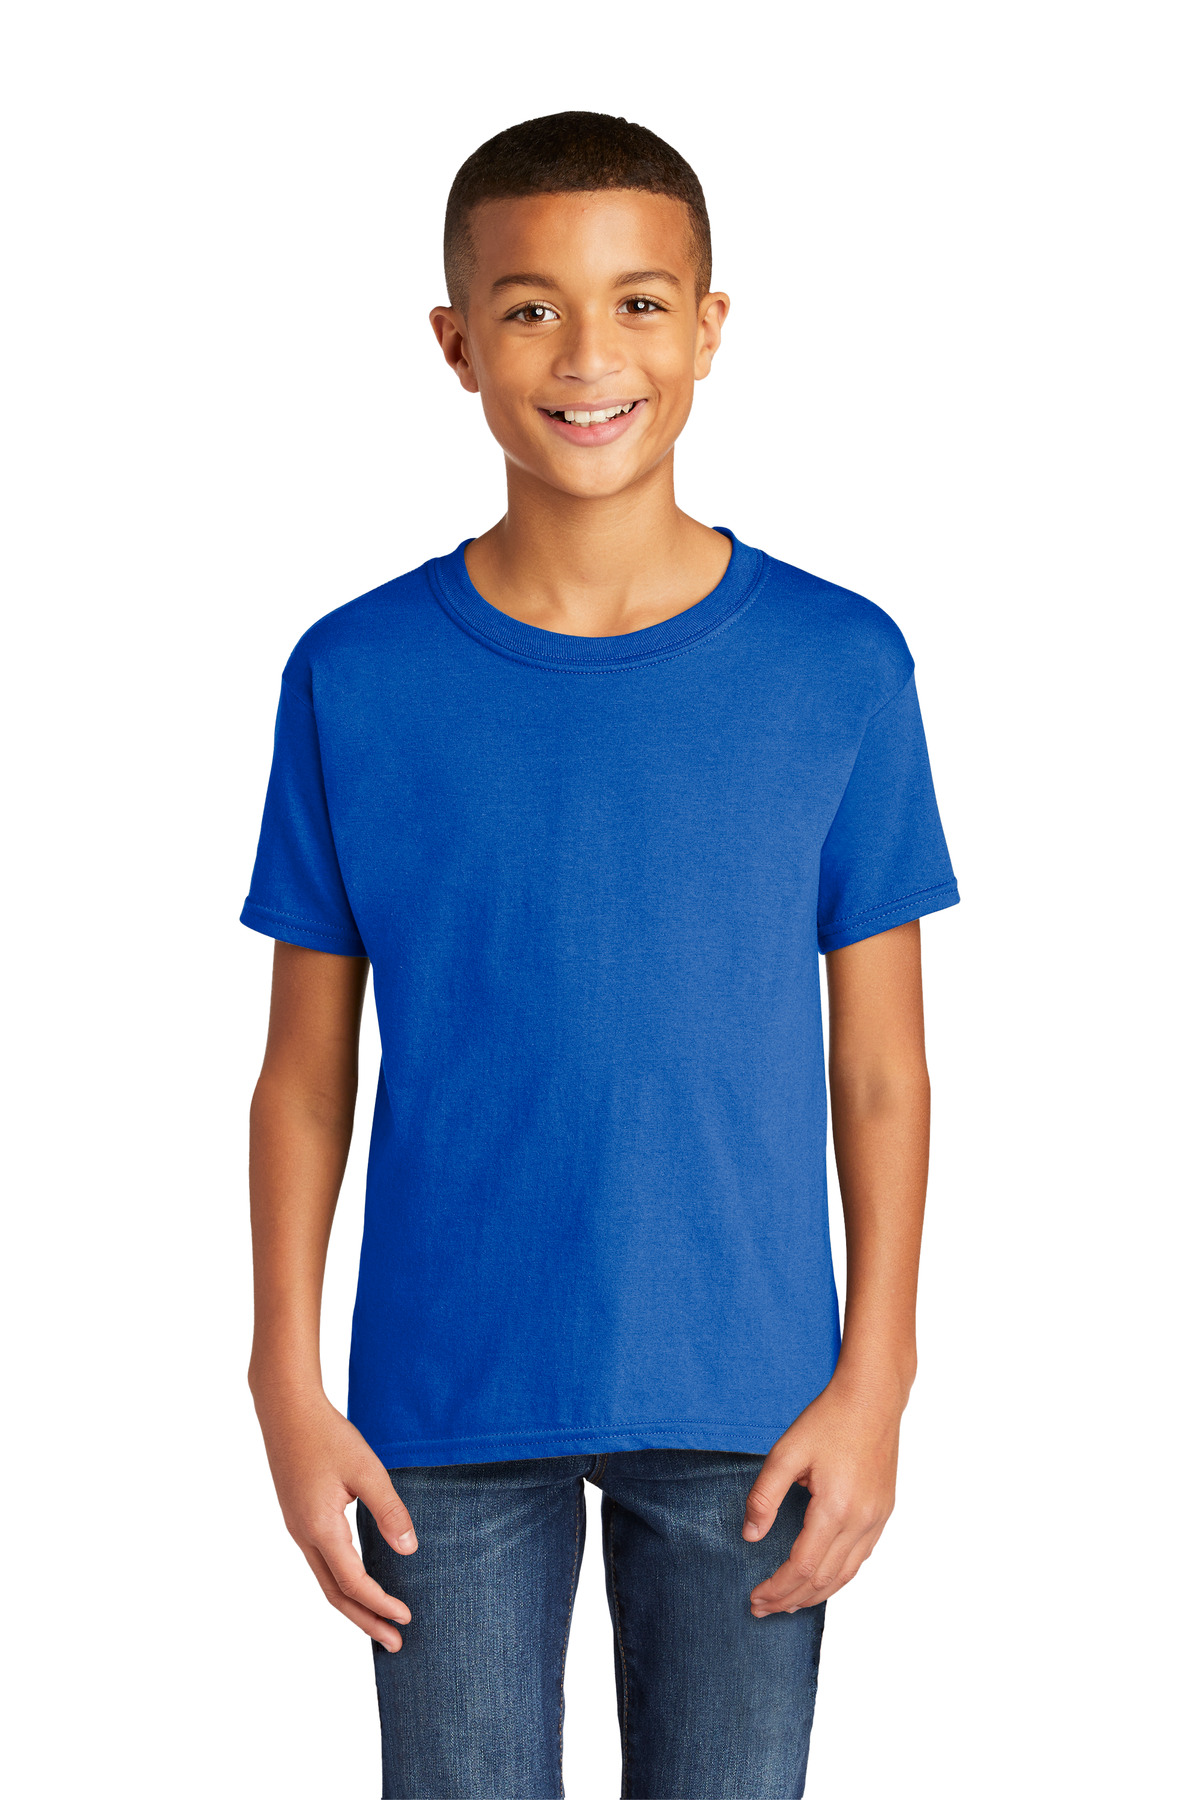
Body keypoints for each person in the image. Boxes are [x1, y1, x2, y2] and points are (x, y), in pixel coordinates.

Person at [240, 111, 960, 1800]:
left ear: (709, 328)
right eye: (530, 309)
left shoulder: (840, 664)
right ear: (456, 342)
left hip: (752, 1392)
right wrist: (282, 1373)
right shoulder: (354, 675)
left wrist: (880, 1375)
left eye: (638, 304)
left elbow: (881, 1066)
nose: (587, 356)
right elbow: (303, 1073)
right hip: (440, 1401)